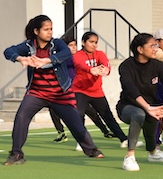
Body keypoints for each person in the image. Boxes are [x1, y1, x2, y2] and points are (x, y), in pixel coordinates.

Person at [3, 15, 104, 165]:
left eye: (51, 29)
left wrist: (47, 60)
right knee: (21, 117)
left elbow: (65, 53)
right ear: (36, 31)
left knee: (75, 123)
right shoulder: (29, 46)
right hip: (36, 93)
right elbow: (8, 51)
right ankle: (16, 153)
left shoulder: (57, 44)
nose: (49, 32)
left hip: (60, 93)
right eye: (46, 29)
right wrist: (21, 58)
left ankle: (91, 149)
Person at [116, 33, 163, 171]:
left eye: (156, 45)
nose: (156, 48)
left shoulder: (158, 66)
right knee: (139, 114)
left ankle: (153, 153)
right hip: (127, 107)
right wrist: (147, 108)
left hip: (151, 107)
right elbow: (130, 89)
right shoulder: (126, 66)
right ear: (140, 49)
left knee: (151, 129)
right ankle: (129, 157)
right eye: (152, 46)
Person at [72, 31, 132, 149]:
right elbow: (80, 65)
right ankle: (81, 140)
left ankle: (123, 139)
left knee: (107, 115)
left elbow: (106, 65)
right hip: (80, 90)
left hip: (96, 91)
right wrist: (91, 70)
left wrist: (105, 70)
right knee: (79, 114)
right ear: (83, 43)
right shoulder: (77, 55)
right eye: (91, 42)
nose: (94, 45)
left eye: (96, 42)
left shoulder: (100, 54)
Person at [51, 36, 115, 143]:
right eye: (70, 45)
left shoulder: (77, 56)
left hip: (78, 89)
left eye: (75, 45)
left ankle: (104, 130)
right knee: (53, 108)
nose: (73, 47)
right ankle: (61, 132)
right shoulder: (62, 58)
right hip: (66, 89)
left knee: (89, 110)